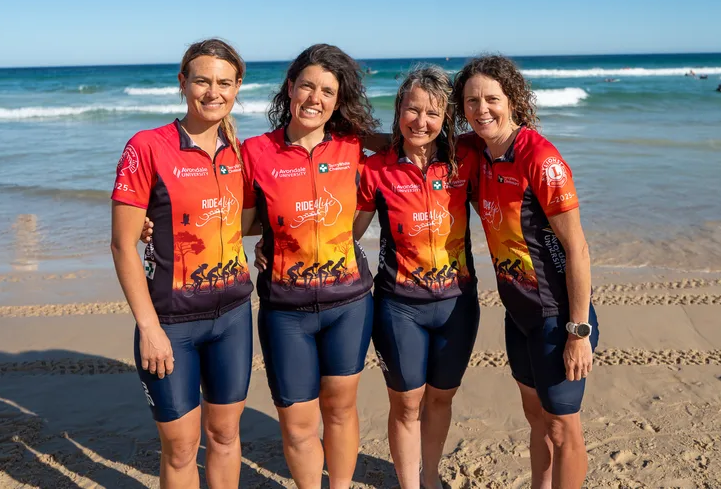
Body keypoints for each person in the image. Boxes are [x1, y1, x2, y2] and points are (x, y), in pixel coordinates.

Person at [111, 38, 255, 489]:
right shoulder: (147, 147)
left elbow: (244, 223)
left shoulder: (239, 152)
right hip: (171, 323)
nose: (214, 92)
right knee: (179, 449)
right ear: (183, 83)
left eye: (225, 83)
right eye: (203, 81)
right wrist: (149, 328)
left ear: (237, 89)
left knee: (226, 434)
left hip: (233, 317)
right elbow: (121, 245)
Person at [451, 55, 599, 489]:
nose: (482, 110)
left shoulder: (540, 157)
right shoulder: (476, 152)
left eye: (491, 99)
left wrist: (578, 332)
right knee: (536, 419)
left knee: (563, 428)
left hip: (558, 316)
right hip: (518, 313)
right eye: (472, 101)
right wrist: (346, 134)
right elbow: (413, 137)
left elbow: (578, 249)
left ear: (512, 100)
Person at [242, 44, 378, 489]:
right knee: (298, 423)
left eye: (327, 91)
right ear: (290, 88)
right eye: (307, 86)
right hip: (285, 310)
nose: (315, 98)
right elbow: (228, 212)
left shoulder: (353, 147)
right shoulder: (256, 151)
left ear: (338, 102)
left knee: (340, 409)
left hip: (349, 304)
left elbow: (393, 178)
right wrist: (152, 224)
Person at [354, 66, 481, 489]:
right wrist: (270, 239)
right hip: (398, 306)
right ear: (399, 110)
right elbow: (345, 231)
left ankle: (431, 478)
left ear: (446, 118)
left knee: (441, 397)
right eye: (412, 109)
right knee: (406, 404)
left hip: (457, 303)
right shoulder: (378, 169)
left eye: (432, 113)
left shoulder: (465, 159)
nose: (421, 121)